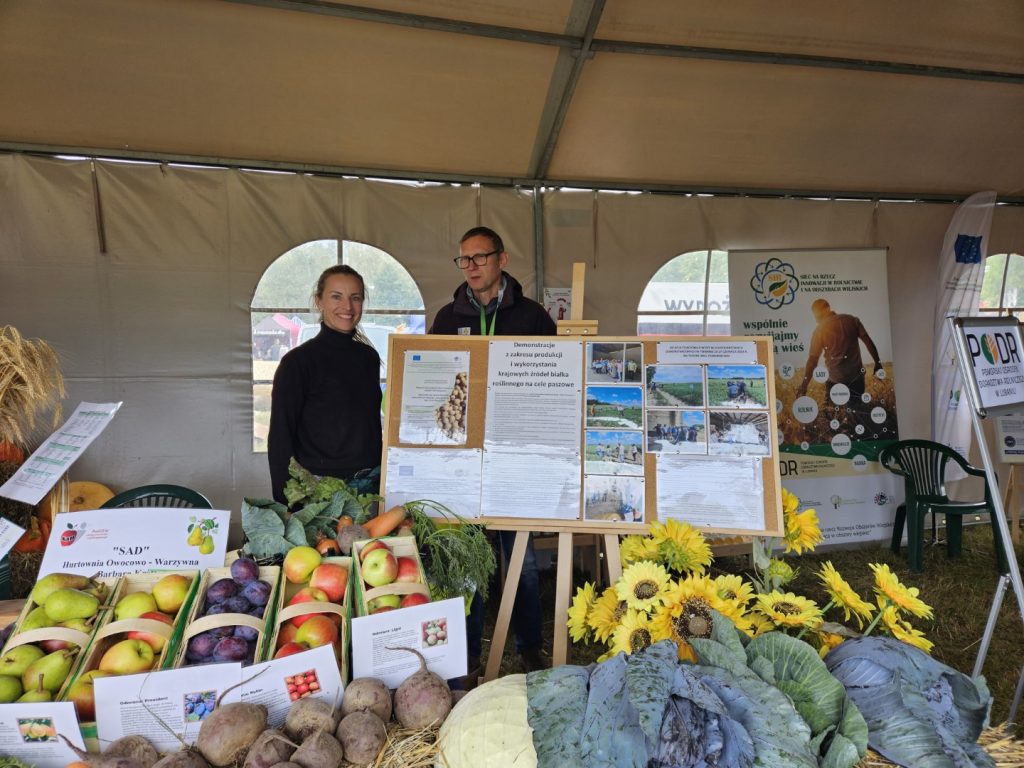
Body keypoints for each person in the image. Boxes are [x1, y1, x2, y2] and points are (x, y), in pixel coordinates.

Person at [430, 226, 555, 684]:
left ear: (502, 259)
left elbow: (553, 387)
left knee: (520, 560)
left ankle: (529, 648)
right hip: (463, 461)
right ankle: (465, 655)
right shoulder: (447, 317)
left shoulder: (534, 317)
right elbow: (438, 387)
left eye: (479, 258)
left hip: (515, 461)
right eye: (463, 259)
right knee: (466, 559)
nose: (471, 267)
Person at [267, 265, 382, 505]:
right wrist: (284, 499)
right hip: (318, 491)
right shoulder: (297, 363)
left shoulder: (368, 357)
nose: (347, 307)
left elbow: (369, 424)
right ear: (319, 301)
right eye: (336, 297)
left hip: (370, 485)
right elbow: (280, 435)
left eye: (355, 298)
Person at [795, 298, 882, 405]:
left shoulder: (819, 330)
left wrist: (804, 385)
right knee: (858, 413)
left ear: (817, 314)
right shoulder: (852, 320)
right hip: (857, 380)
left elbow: (813, 360)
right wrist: (877, 363)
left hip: (835, 382)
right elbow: (868, 341)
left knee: (834, 415)